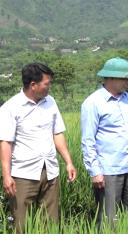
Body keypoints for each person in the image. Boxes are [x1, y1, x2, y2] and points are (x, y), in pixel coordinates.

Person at [0, 63, 77, 233]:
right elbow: (5, 143)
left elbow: (57, 133)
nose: (49, 87)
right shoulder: (10, 108)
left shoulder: (50, 102)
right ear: (33, 85)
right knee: (21, 226)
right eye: (46, 83)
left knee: (50, 224)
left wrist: (69, 162)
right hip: (23, 174)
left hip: (50, 171)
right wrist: (6, 176)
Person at [81, 57, 128, 226]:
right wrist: (95, 171)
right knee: (108, 219)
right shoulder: (93, 103)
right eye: (125, 79)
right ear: (111, 78)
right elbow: (88, 141)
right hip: (108, 170)